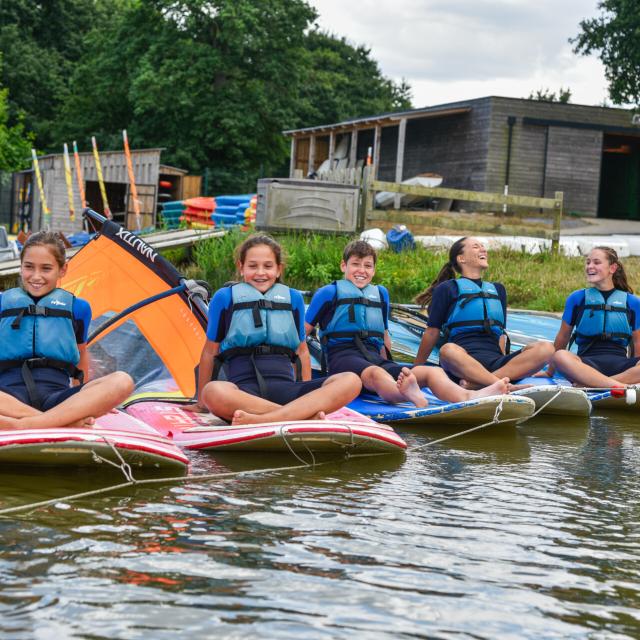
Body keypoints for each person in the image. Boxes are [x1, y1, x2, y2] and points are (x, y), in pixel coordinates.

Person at [305, 240, 509, 408]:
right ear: (344, 266)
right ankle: (407, 394)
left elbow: (384, 337)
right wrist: (304, 382)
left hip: (375, 358)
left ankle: (469, 396)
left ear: (374, 270)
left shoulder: (381, 294)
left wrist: (389, 362)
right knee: (376, 374)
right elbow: (301, 337)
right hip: (343, 360)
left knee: (432, 371)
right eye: (356, 264)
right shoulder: (328, 293)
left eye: (368, 266)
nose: (362, 271)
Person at [191, 234, 362, 425]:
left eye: (268, 266)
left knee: (351, 380)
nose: (260, 272)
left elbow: (302, 351)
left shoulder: (293, 298)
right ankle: (300, 416)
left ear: (279, 269)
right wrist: (201, 403)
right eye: (253, 266)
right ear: (241, 268)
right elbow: (210, 351)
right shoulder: (225, 298)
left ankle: (266, 419)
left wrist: (306, 395)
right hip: (244, 396)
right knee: (212, 392)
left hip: (288, 390)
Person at [0, 231, 133, 430]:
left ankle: (22, 425)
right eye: (29, 267)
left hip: (57, 398)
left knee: (123, 381)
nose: (36, 276)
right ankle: (56, 422)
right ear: (21, 267)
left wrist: (89, 399)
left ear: (62, 270)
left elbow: (81, 354)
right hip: (8, 398)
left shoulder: (79, 308)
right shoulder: (2, 303)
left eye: (46, 269)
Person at [414, 236, 553, 388]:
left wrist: (507, 364)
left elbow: (500, 334)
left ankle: (479, 384)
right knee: (447, 351)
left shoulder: (498, 290)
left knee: (546, 349)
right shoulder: (447, 288)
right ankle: (502, 385)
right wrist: (416, 371)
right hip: (462, 362)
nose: (483, 249)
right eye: (475, 246)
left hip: (496, 363)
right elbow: (432, 332)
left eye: (483, 246)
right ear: (461, 258)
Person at [549, 246, 640, 387]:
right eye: (588, 262)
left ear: (612, 268)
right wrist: (550, 371)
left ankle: (595, 384)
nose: (590, 266)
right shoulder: (577, 298)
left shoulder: (632, 302)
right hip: (586, 365)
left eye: (596, 262)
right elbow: (563, 337)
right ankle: (617, 385)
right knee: (560, 356)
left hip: (620, 366)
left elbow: (637, 342)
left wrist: (635, 370)